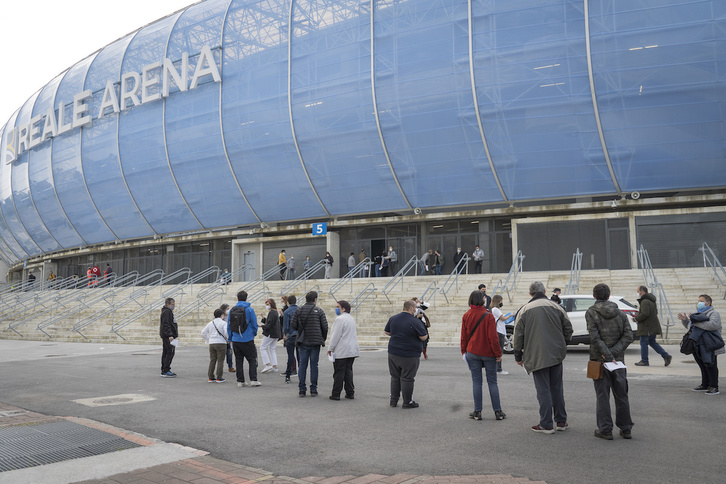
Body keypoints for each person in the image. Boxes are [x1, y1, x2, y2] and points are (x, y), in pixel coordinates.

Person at [513, 281, 573, 434]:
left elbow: (518, 335)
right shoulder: (557, 307)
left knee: (543, 389)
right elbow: (568, 328)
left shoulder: (524, 310)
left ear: (530, 293)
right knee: (557, 388)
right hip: (556, 354)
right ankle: (561, 421)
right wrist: (563, 343)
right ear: (545, 291)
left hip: (536, 355)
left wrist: (518, 355)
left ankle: (546, 424)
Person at [586, 283, 634, 440]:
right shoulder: (620, 313)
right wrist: (613, 354)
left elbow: (595, 337)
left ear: (594, 296)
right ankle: (626, 428)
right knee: (621, 395)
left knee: (602, 395)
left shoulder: (591, 313)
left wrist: (607, 354)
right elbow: (628, 336)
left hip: (599, 360)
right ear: (608, 295)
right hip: (617, 361)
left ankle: (605, 429)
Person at [461, 290, 506, 421]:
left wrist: (464, 351)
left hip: (472, 352)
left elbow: (464, 336)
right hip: (488, 353)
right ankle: (498, 412)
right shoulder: (488, 316)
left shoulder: (466, 315)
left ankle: (477, 411)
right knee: (492, 382)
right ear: (482, 300)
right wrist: (498, 354)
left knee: (476, 381)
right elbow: (493, 338)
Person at [385, 300, 429, 409]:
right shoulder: (414, 321)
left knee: (395, 377)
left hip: (393, 352)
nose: (416, 310)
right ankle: (407, 401)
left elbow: (387, 332)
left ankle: (393, 400)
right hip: (409, 353)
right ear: (411, 308)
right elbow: (423, 337)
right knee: (407, 378)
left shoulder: (393, 318)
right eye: (415, 307)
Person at [678, 294, 723, 395]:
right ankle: (705, 384)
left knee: (711, 365)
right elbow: (691, 327)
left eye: (701, 301)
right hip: (698, 344)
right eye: (698, 301)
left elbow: (713, 325)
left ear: (708, 303)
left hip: (709, 344)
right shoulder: (697, 314)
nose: (699, 303)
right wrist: (686, 321)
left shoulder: (713, 313)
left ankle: (714, 386)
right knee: (702, 365)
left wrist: (696, 322)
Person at [291, 291, 328, 396]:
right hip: (315, 342)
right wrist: (322, 338)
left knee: (302, 365)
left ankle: (302, 389)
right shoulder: (319, 311)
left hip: (303, 341)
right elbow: (325, 327)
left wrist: (301, 329)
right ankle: (313, 389)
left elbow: (293, 325)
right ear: (315, 299)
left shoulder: (299, 310)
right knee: (314, 365)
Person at [327, 300, 360, 400]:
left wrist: (330, 348)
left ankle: (336, 393)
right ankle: (350, 392)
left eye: (338, 307)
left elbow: (335, 335)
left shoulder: (340, 319)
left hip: (342, 349)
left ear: (343, 308)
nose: (336, 309)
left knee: (339, 372)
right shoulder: (350, 318)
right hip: (351, 349)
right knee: (348, 372)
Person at [227, 291, 260, 387]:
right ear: (246, 298)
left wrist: (230, 337)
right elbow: (254, 324)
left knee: (238, 360)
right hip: (247, 338)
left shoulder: (232, 310)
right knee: (252, 359)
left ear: (237, 298)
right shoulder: (249, 309)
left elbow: (229, 325)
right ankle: (253, 379)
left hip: (236, 338)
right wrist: (253, 333)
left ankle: (240, 381)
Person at [634, 286, 672, 367]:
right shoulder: (651, 301)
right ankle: (666, 355)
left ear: (642, 291)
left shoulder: (644, 301)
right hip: (652, 326)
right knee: (652, 342)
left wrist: (636, 318)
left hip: (646, 327)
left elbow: (645, 314)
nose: (638, 293)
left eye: (638, 291)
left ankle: (644, 360)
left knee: (643, 343)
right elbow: (655, 312)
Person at [201, 308, 228, 383]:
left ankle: (211, 377)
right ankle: (219, 377)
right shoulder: (223, 323)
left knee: (212, 360)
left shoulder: (210, 323)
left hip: (212, 343)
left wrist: (208, 339)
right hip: (221, 342)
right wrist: (227, 338)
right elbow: (226, 332)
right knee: (220, 360)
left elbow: (203, 332)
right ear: (221, 315)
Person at [260, 298, 282, 374]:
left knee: (262, 347)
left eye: (268, 304)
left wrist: (261, 326)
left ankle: (267, 364)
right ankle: (274, 365)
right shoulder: (275, 312)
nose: (267, 306)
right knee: (272, 349)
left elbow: (269, 324)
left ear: (271, 304)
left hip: (271, 333)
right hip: (276, 333)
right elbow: (270, 322)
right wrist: (263, 319)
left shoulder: (272, 313)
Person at [282, 295, 299, 383]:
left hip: (290, 335)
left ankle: (288, 376)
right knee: (300, 356)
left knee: (290, 356)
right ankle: (301, 375)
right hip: (299, 336)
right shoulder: (300, 310)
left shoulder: (287, 311)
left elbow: (286, 326)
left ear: (288, 302)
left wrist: (285, 334)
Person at [159, 297, 178, 378]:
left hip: (167, 335)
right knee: (169, 352)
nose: (173, 306)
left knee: (166, 352)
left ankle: (164, 369)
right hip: (168, 336)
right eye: (172, 304)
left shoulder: (167, 311)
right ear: (168, 304)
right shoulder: (167, 312)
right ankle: (166, 370)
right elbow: (166, 324)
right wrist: (170, 335)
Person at [491, 294, 509, 375]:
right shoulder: (496, 310)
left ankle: (496, 368)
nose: (502, 303)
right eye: (501, 301)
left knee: (499, 350)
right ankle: (498, 368)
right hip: (499, 331)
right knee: (499, 351)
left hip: (499, 331)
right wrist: (510, 315)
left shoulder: (494, 309)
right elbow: (503, 318)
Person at [220, 304, 234, 373]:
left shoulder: (230, 316)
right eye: (227, 309)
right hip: (222, 338)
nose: (228, 310)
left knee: (229, 353)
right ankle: (220, 367)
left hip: (229, 337)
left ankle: (230, 367)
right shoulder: (220, 318)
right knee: (221, 354)